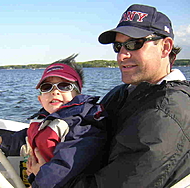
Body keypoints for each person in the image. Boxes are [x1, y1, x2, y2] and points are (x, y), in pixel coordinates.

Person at [32, 4, 190, 188]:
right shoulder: (124, 93)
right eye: (118, 46)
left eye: (134, 44)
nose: (122, 55)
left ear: (165, 47)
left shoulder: (165, 115)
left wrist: (47, 178)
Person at [0, 54, 107, 187]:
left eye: (64, 86)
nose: (55, 91)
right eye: (47, 87)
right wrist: (1, 141)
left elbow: (65, 168)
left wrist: (38, 177)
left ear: (78, 94)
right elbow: (28, 138)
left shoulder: (83, 125)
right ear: (40, 100)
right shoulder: (46, 121)